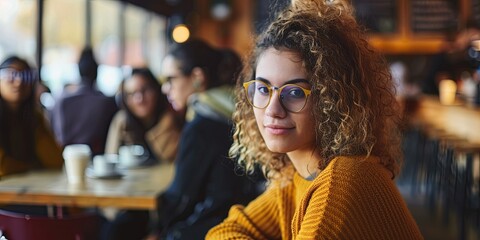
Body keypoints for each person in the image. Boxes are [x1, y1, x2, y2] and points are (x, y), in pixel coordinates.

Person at [206, 0, 423, 239]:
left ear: (333, 100)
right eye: (263, 89)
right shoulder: (293, 179)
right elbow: (225, 231)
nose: (272, 110)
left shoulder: (342, 183)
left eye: (295, 92)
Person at [145, 40, 260, 240]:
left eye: (171, 79)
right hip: (242, 221)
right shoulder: (236, 109)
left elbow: (180, 198)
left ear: (197, 77)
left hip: (208, 229)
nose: (165, 89)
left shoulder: (202, 124)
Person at [0, 56, 63, 178]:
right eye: (10, 75)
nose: (19, 82)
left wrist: (36, 124)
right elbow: (2, 168)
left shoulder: (34, 117)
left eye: (26, 76)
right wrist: (31, 166)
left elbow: (55, 160)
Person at [105, 67, 182, 164]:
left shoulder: (171, 118)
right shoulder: (122, 121)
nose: (139, 99)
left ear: (157, 90)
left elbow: (174, 160)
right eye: (131, 94)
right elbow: (110, 159)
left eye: (145, 90)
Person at [50, 46, 118, 156]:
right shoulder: (107, 102)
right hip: (98, 160)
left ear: (78, 70)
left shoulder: (61, 101)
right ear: (96, 71)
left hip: (64, 159)